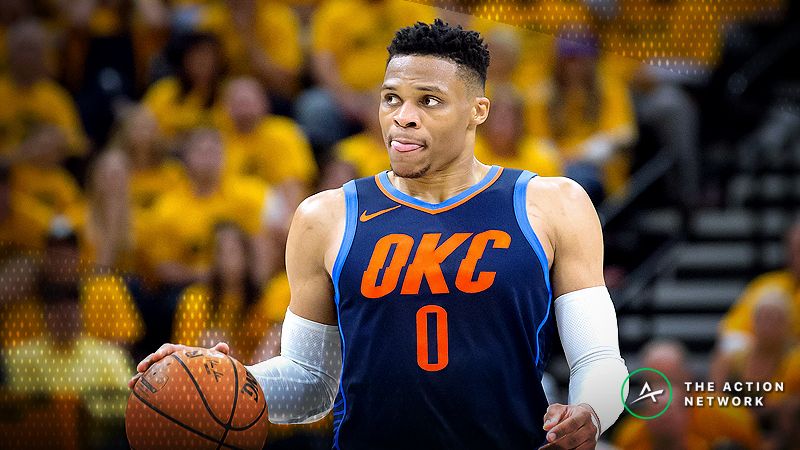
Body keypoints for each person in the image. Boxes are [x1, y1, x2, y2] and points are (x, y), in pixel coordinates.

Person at [131, 20, 629, 449]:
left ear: (479, 110)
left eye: (429, 100)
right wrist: (226, 382)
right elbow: (311, 384)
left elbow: (599, 358)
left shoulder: (555, 203)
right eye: (391, 99)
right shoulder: (324, 216)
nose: (402, 116)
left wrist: (591, 408)